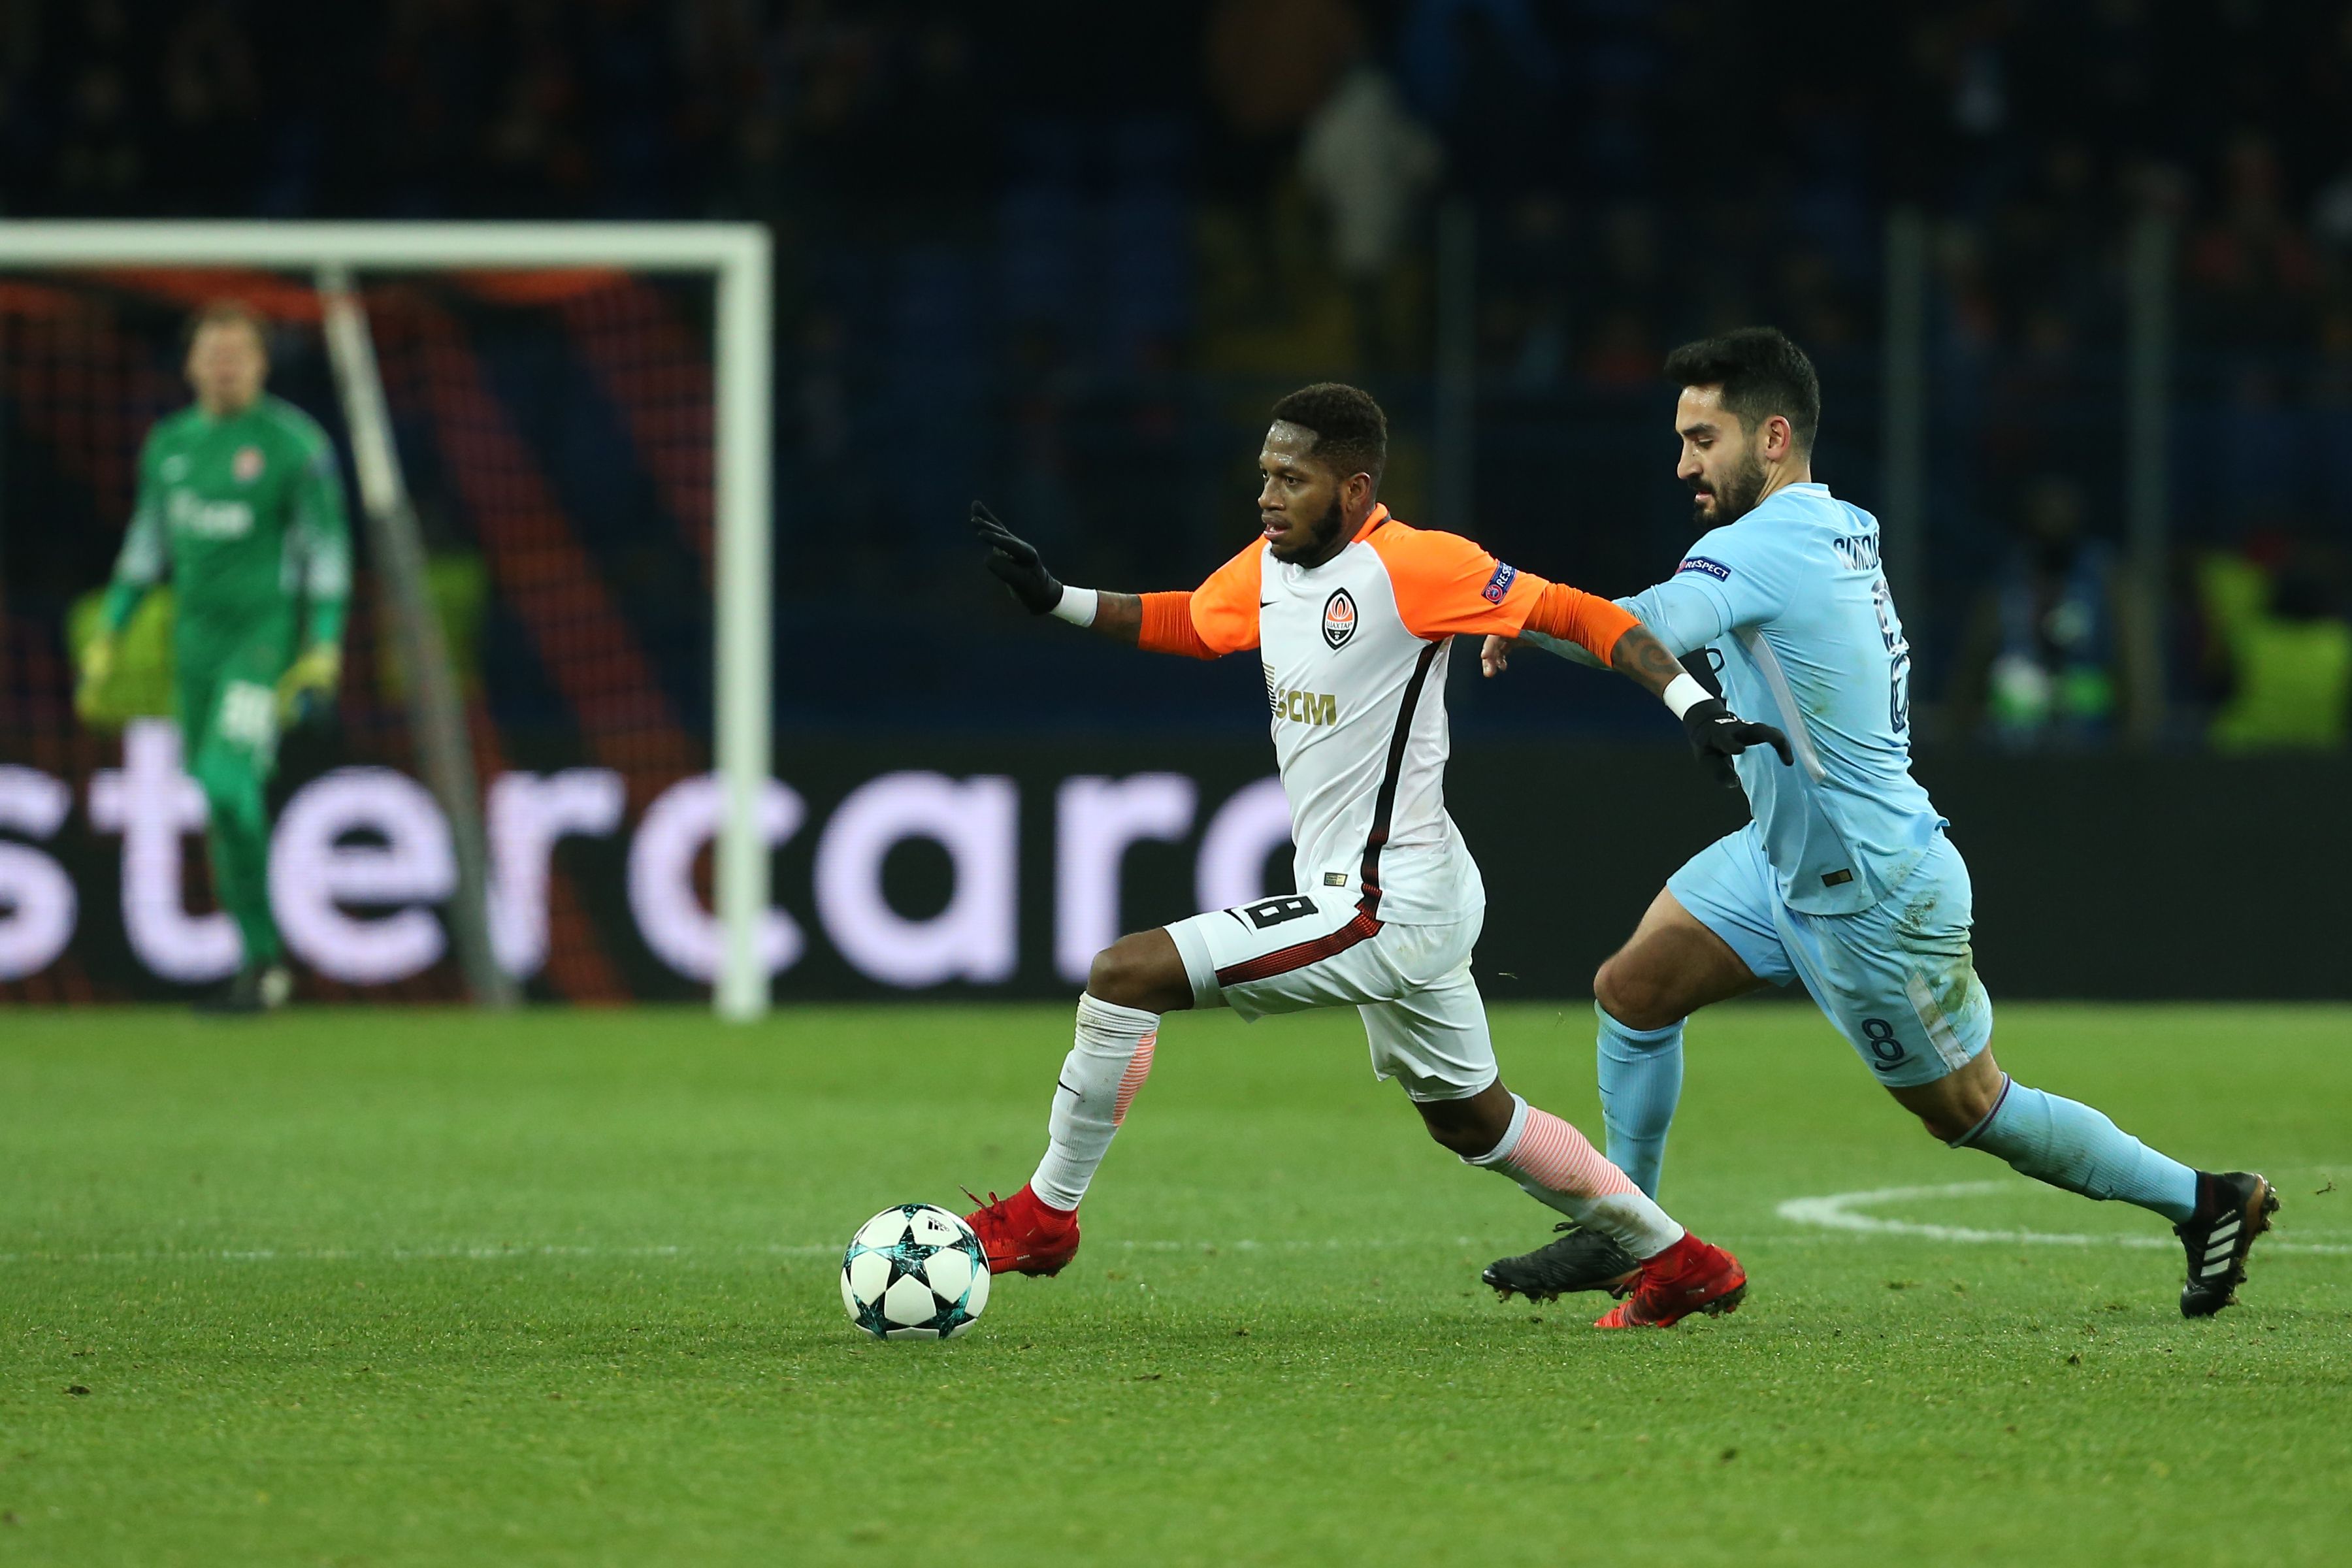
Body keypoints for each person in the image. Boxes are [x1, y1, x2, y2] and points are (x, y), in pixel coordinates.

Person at [1478, 329, 2276, 1318]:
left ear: (1772, 438)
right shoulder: (1838, 521)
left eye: (1702, 438)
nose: (1682, 463)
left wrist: (1502, 600)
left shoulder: (1756, 547)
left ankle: (2205, 1201)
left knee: (1974, 1111)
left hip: (1871, 890)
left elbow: (1642, 628)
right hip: (1783, 861)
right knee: (1634, 991)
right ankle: (1629, 1233)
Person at [963, 382, 1790, 1329]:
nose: (1267, 496)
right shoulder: (1273, 562)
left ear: (1355, 489)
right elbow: (1195, 622)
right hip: (1402, 891)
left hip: (1382, 903)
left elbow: (1579, 615)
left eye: (1292, 478)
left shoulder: (1419, 566)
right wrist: (1056, 599)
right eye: (1264, 474)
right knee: (1472, 1119)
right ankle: (1682, 1261)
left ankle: (1044, 1218)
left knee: (1124, 973)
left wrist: (1693, 706)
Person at [76, 301, 351, 1013]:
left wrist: (322, 647)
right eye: (214, 354)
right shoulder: (168, 446)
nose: (226, 367)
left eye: (240, 355)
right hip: (190, 649)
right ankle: (260, 967)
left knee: (229, 785)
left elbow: (328, 554)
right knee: (219, 800)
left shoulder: (295, 446)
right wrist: (110, 631)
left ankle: (266, 958)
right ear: (193, 364)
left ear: (262, 364)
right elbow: (146, 548)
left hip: (260, 645)